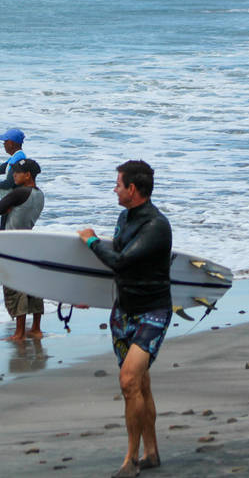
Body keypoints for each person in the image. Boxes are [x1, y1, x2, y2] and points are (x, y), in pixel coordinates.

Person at [78, 160, 172, 478]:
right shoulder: (124, 218)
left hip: (153, 312)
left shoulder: (156, 226)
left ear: (132, 189)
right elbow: (115, 264)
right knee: (140, 383)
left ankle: (130, 460)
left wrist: (91, 241)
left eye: (118, 184)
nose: (114, 189)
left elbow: (120, 262)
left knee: (129, 381)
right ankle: (152, 452)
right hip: (123, 312)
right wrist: (84, 293)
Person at [0, 158, 45, 340]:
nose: (13, 175)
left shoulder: (19, 193)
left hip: (12, 243)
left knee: (15, 286)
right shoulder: (39, 194)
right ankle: (36, 328)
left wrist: (7, 205)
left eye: (17, 172)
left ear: (28, 175)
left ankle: (19, 332)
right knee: (33, 285)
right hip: (29, 240)